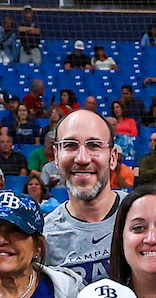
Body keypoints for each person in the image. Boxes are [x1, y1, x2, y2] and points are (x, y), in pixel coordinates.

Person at [43, 109, 123, 282]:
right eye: (70, 145)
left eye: (94, 145)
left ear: (113, 157)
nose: (82, 158)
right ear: (56, 156)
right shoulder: (44, 238)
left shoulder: (143, 218)